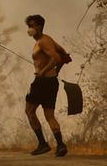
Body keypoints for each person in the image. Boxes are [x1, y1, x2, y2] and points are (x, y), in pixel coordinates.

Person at [24, 14, 73, 157]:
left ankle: (43, 144)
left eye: (32, 26)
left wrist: (43, 72)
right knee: (49, 115)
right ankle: (61, 145)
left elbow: (57, 57)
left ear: (39, 26)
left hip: (42, 82)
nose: (29, 29)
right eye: (28, 26)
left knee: (29, 111)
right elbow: (64, 55)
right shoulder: (48, 39)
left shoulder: (42, 42)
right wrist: (56, 71)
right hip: (52, 82)